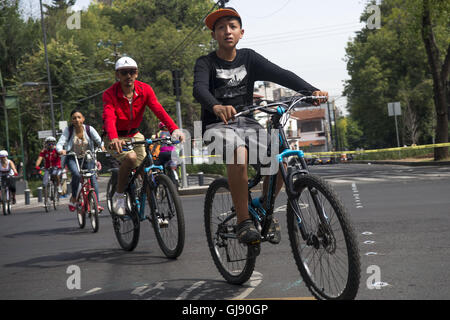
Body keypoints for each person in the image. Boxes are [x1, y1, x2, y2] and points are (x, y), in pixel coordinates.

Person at [193, 7, 328, 244]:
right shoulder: (206, 62)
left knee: (280, 159)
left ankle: (265, 208)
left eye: (232, 26)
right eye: (221, 27)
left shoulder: (249, 58)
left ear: (241, 32)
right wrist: (216, 106)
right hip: (216, 127)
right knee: (239, 152)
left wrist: (310, 90)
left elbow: (281, 74)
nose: (227, 31)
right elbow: (199, 89)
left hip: (247, 122)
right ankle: (244, 221)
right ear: (213, 35)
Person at [102, 56, 185, 216]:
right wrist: (113, 138)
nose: (128, 76)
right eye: (124, 72)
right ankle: (119, 196)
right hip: (115, 137)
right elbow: (109, 117)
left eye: (132, 72)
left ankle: (152, 208)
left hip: (134, 134)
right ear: (117, 75)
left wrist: (174, 128)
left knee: (146, 168)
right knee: (131, 158)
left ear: (137, 73)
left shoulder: (145, 90)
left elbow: (158, 109)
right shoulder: (109, 94)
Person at [56, 109, 105, 212]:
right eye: (74, 118)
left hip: (88, 158)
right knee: (77, 174)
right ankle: (74, 197)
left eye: (79, 117)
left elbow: (99, 140)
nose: (77, 120)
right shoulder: (68, 130)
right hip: (72, 158)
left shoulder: (89, 129)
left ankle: (97, 203)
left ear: (83, 119)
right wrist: (61, 150)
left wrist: (102, 146)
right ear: (71, 121)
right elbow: (60, 143)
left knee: (92, 178)